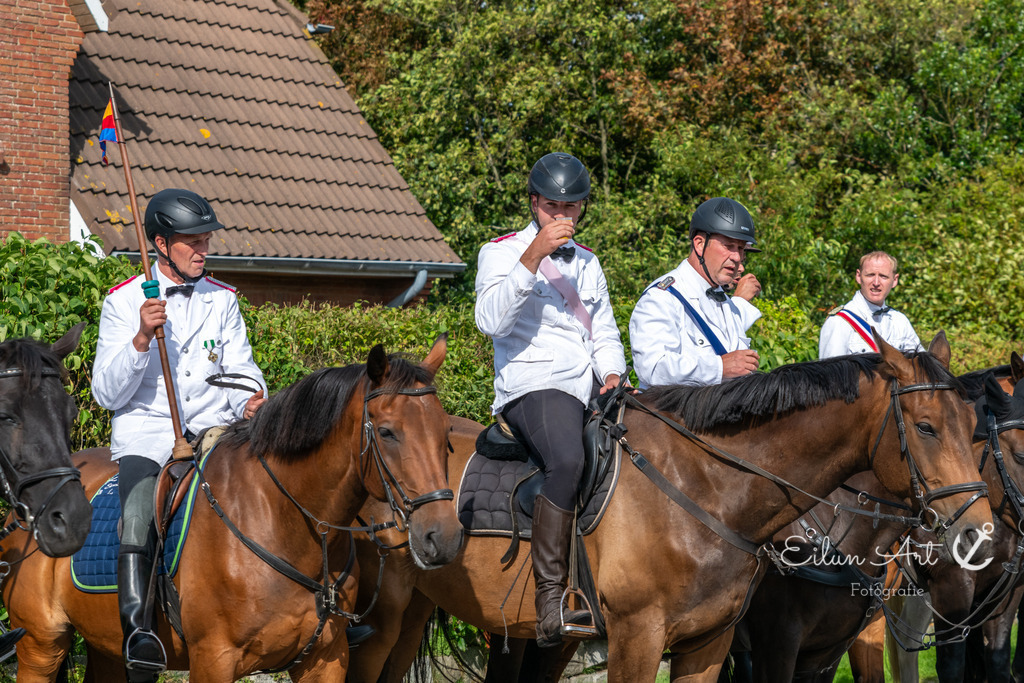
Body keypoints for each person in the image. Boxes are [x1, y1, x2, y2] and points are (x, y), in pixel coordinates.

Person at [93, 188, 267, 681]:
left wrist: (252, 398)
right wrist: (140, 339)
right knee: (136, 516)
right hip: (149, 436)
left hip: (218, 432)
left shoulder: (223, 299)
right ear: (161, 244)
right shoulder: (123, 301)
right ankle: (138, 635)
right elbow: (106, 393)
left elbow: (242, 369)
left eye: (206, 240)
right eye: (194, 241)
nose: (204, 250)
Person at [475, 152, 627, 648]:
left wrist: (612, 374)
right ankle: (551, 599)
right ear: (534, 202)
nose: (561, 215)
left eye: (571, 207)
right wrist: (532, 256)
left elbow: (604, 330)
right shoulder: (500, 252)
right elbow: (491, 323)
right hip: (533, 383)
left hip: (587, 385)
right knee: (566, 460)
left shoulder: (589, 262)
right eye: (552, 207)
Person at [629, 196, 762, 388]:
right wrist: (719, 368)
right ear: (699, 244)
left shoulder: (725, 301)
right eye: (729, 246)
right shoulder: (662, 297)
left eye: (741, 249)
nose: (737, 257)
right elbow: (652, 368)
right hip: (674, 408)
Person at [818, 251, 923, 358]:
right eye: (870, 275)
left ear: (895, 280)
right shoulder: (839, 322)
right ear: (858, 276)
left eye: (883, 276)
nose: (876, 283)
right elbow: (830, 368)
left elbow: (921, 365)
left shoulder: (900, 322)